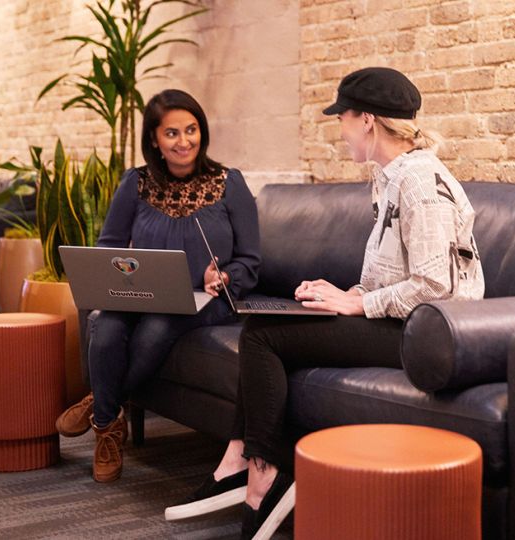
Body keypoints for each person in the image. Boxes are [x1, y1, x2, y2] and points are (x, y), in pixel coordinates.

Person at [164, 67, 486, 540]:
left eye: (343, 118)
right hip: (404, 322)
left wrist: (357, 306)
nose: (340, 130)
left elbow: (434, 286)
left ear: (368, 122)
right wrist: (343, 294)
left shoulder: (419, 181)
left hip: (432, 335)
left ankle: (259, 475)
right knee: (263, 321)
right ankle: (243, 462)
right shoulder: (390, 178)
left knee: (265, 335)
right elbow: (396, 275)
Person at [55, 89, 260, 483]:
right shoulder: (135, 183)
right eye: (172, 133)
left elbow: (250, 260)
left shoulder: (228, 183)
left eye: (192, 130)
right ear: (154, 139)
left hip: (207, 302)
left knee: (158, 327)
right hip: (141, 295)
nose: (184, 142)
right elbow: (109, 247)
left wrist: (224, 275)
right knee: (106, 324)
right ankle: (110, 423)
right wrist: (119, 277)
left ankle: (101, 410)